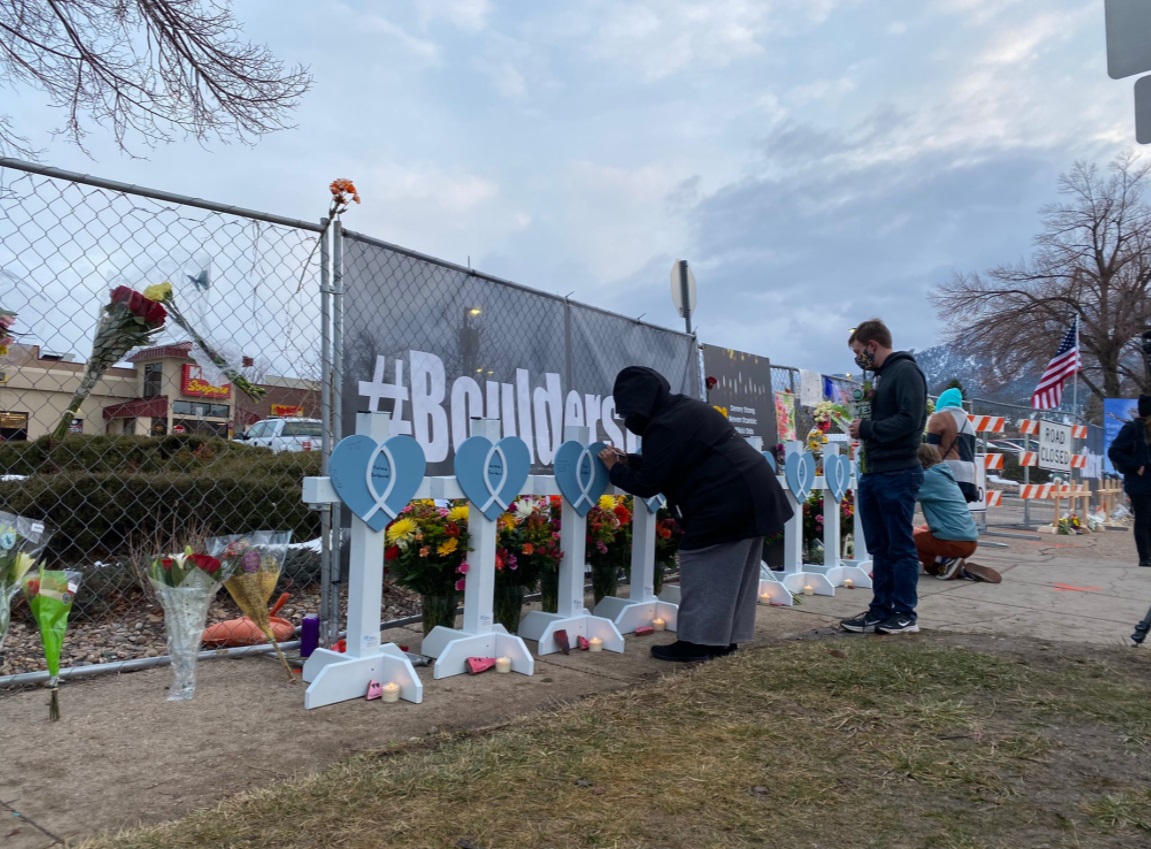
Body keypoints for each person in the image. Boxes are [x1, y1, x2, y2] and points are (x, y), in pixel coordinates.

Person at [598, 366, 792, 662]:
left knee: (703, 563)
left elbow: (649, 483)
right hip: (751, 493)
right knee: (734, 575)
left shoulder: (664, 425)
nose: (629, 420)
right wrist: (631, 460)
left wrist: (615, 468)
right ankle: (722, 640)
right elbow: (669, 461)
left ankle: (696, 642)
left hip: (729, 500)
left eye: (628, 413)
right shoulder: (682, 409)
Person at [841, 319, 927, 635]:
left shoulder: (905, 372)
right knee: (880, 547)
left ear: (872, 345)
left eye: (859, 351)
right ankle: (881, 610)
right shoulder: (882, 378)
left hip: (898, 471)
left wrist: (868, 429)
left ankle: (905, 614)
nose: (858, 358)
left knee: (899, 546)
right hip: (874, 470)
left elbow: (910, 419)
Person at [915, 444, 982, 579]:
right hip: (970, 541)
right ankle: (956, 569)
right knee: (930, 567)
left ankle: (945, 561)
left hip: (952, 542)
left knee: (898, 539)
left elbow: (900, 494)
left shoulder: (927, 477)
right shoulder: (943, 474)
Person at [1107, 395, 1151, 568]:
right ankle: (1145, 557)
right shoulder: (1132, 429)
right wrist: (1135, 465)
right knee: (1143, 518)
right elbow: (1114, 451)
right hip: (1139, 481)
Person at [925, 387, 978, 504]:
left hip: (948, 473)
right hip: (969, 477)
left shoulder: (939, 417)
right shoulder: (968, 423)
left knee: (943, 514)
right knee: (958, 514)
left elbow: (930, 450)